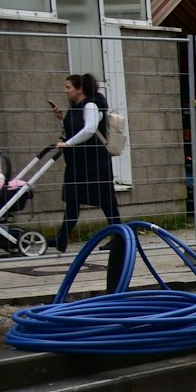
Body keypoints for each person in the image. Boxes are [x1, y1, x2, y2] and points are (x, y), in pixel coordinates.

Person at [51, 74, 124, 271]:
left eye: (68, 87)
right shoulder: (74, 108)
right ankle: (61, 239)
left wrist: (68, 143)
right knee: (73, 199)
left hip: (94, 163)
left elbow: (90, 130)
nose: (65, 90)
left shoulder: (91, 106)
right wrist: (60, 119)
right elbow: (72, 130)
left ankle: (119, 238)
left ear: (79, 89)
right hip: (77, 163)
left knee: (106, 201)